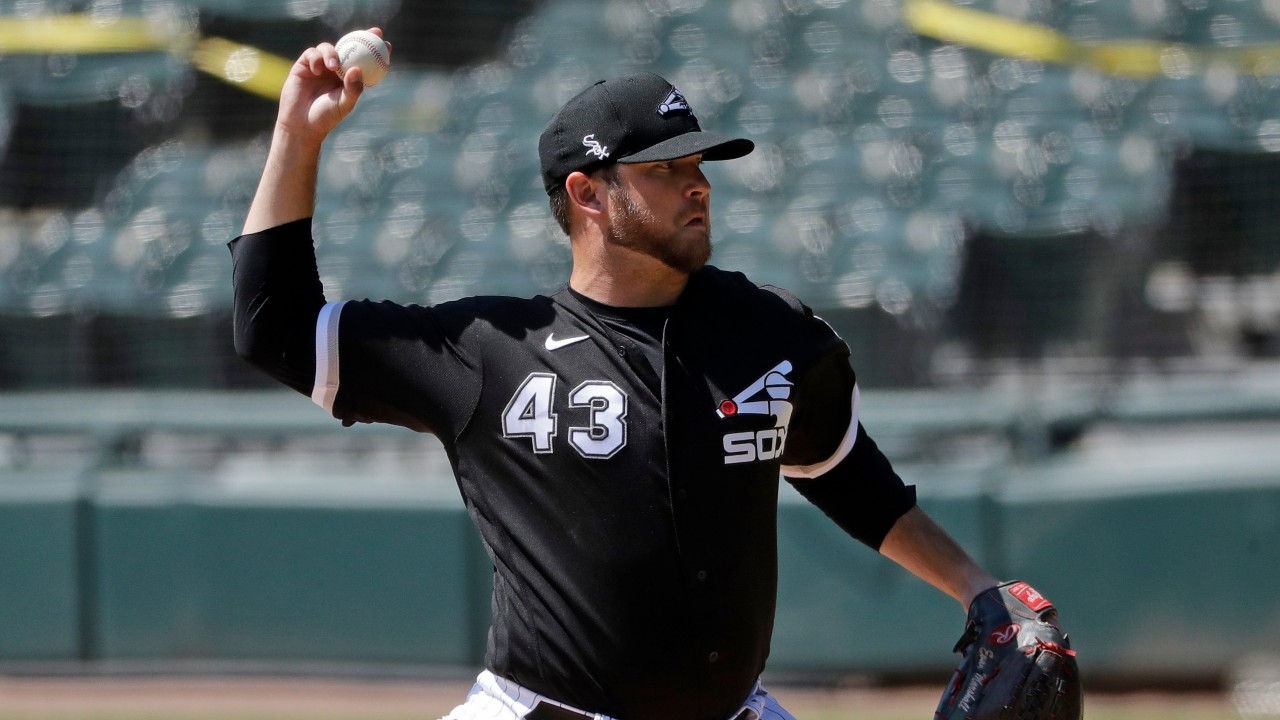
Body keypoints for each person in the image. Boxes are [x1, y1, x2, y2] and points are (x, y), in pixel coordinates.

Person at [230, 28, 1003, 720]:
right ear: (587, 192)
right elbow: (276, 329)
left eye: (699, 162)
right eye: (665, 168)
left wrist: (979, 590)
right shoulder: (489, 351)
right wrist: (298, 137)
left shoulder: (771, 331)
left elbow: (845, 473)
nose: (697, 183)